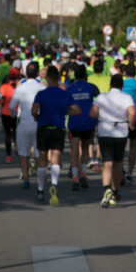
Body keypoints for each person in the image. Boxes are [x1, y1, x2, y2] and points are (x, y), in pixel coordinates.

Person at [31, 65, 81, 205]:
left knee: (42, 159)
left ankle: (40, 191)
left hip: (43, 128)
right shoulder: (65, 94)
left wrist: (37, 116)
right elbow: (77, 110)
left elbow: (34, 110)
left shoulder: (41, 94)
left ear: (47, 78)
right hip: (58, 129)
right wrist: (65, 112)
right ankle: (54, 185)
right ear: (59, 78)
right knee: (55, 159)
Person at [90, 74, 136, 209]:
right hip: (121, 131)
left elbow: (92, 113)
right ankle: (115, 192)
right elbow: (132, 113)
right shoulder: (126, 97)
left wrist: (103, 116)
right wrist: (131, 125)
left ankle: (106, 189)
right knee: (117, 163)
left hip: (105, 130)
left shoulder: (101, 97)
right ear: (122, 85)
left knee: (107, 162)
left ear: (110, 84)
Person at [65, 63, 100, 190]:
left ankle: (75, 177)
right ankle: (83, 173)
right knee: (85, 149)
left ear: (75, 75)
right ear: (86, 75)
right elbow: (100, 101)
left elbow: (64, 105)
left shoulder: (69, 88)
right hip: (88, 122)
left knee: (74, 150)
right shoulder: (92, 87)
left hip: (74, 123)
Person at [9, 61, 42, 189]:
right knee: (40, 153)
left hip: (23, 123)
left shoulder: (20, 88)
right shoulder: (42, 87)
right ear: (38, 74)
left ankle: (26, 179)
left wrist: (13, 115)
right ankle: (41, 179)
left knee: (23, 153)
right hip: (38, 123)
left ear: (26, 73)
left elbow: (12, 106)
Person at [0, 67, 20, 162]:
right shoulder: (19, 87)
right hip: (17, 113)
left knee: (7, 134)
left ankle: (8, 156)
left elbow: (0, 100)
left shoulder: (4, 87)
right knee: (16, 133)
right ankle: (16, 146)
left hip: (5, 113)